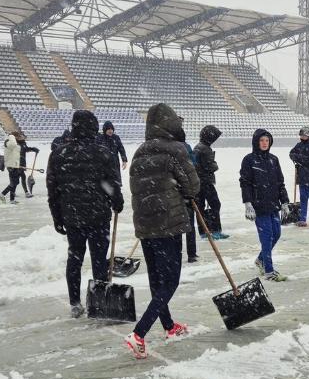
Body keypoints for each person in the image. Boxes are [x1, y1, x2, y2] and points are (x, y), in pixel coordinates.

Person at [124, 103, 199, 359]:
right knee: (170, 282)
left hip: (146, 225)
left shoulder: (139, 152)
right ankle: (139, 333)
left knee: (157, 281)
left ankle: (169, 326)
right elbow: (193, 186)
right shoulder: (175, 150)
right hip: (168, 224)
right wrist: (183, 192)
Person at [46, 110, 124, 318]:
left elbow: (53, 190)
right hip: (98, 215)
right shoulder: (102, 152)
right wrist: (117, 201)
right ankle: (99, 302)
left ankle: (75, 302)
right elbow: (110, 184)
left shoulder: (59, 153)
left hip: (73, 217)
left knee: (75, 258)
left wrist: (57, 217)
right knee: (99, 260)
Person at [240, 128, 290, 282]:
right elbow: (245, 183)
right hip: (259, 206)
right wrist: (248, 203)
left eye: (267, 140)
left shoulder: (273, 159)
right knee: (267, 237)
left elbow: (280, 183)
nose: (264, 143)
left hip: (273, 204)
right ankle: (269, 271)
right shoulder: (249, 160)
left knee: (277, 234)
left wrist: (285, 202)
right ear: (256, 142)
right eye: (262, 140)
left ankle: (261, 259)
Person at [194, 124, 228, 240]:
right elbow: (211, 166)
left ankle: (203, 231)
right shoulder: (205, 149)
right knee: (215, 205)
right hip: (205, 182)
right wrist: (215, 165)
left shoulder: (198, 147)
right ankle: (215, 230)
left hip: (198, 183)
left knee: (200, 207)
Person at [288, 126, 309, 227]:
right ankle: (303, 219)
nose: (302, 137)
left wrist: (299, 159)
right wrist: (296, 158)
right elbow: (291, 153)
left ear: (308, 135)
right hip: (302, 176)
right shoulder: (299, 145)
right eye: (301, 135)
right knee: (303, 198)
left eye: (304, 135)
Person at [177, 128, 199, 263]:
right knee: (190, 224)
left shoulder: (170, 149)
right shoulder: (186, 147)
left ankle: (177, 254)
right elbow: (193, 166)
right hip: (186, 191)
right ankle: (191, 254)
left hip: (174, 191)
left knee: (177, 226)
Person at [95, 121, 128, 186]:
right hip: (104, 163)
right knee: (105, 183)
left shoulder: (116, 138)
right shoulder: (100, 138)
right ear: (105, 130)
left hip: (114, 163)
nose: (110, 131)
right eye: (108, 129)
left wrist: (124, 160)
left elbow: (121, 149)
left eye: (111, 129)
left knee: (116, 183)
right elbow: (96, 151)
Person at [0, 132, 22, 205]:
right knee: (13, 183)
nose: (19, 138)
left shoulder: (12, 143)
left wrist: (18, 164)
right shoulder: (10, 142)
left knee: (15, 183)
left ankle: (12, 199)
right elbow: (13, 145)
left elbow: (14, 155)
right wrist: (11, 136)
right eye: (18, 136)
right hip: (11, 166)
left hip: (14, 165)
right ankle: (2, 194)